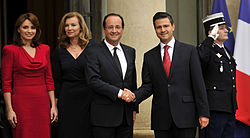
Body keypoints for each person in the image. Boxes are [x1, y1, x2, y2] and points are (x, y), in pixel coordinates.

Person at [131, 12, 210, 138]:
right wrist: (134, 96)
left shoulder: (190, 51)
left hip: (186, 117)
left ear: (173, 26)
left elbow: (198, 83)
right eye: (159, 27)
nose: (163, 30)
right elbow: (148, 86)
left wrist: (204, 113)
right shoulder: (149, 56)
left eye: (166, 26)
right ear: (155, 29)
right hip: (161, 119)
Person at [1, 13, 57, 138]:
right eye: (25, 27)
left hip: (42, 103)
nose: (29, 31)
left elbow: (49, 79)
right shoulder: (10, 50)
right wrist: (9, 110)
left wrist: (53, 106)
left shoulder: (45, 49)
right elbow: (6, 82)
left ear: (37, 30)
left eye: (33, 27)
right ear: (18, 29)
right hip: (21, 103)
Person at [84, 13, 137, 138]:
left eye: (118, 27)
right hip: (103, 117)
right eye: (110, 27)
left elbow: (132, 81)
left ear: (123, 29)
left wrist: (134, 109)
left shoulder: (130, 51)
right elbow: (93, 80)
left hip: (126, 117)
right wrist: (119, 93)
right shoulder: (93, 51)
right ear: (104, 29)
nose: (114, 31)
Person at [54, 12, 95, 138]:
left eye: (73, 25)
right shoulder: (59, 50)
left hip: (89, 99)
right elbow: (56, 79)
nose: (69, 28)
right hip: (67, 100)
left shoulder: (93, 47)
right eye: (66, 25)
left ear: (81, 27)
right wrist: (54, 106)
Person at [197, 12, 237, 138]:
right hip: (214, 109)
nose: (226, 30)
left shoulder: (225, 51)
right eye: (221, 28)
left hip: (228, 107)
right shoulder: (207, 49)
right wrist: (210, 38)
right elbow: (201, 57)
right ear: (212, 31)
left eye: (225, 27)